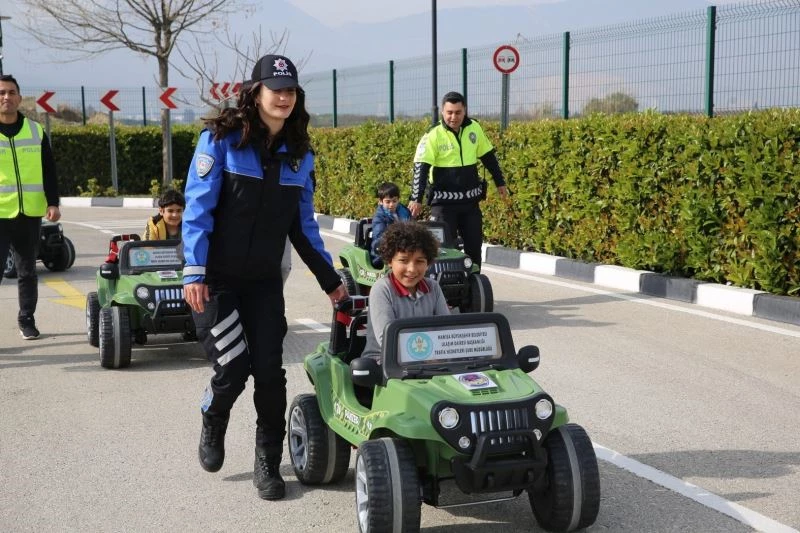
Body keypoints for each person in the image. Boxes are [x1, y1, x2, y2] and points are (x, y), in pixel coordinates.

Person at [181, 54, 347, 501]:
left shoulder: (300, 156)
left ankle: (268, 463)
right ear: (255, 93)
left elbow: (304, 228)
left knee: (271, 375)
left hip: (263, 283)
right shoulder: (220, 141)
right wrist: (194, 270)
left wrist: (332, 282)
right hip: (215, 281)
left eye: (290, 89)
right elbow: (197, 212)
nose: (284, 96)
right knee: (234, 367)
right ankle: (213, 418)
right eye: (275, 88)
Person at [408, 91, 509, 266]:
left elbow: (489, 157)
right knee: (442, 250)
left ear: (465, 111)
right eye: (449, 112)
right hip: (443, 205)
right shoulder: (433, 134)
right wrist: (416, 198)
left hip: (470, 203)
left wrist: (500, 182)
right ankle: (441, 290)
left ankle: (474, 287)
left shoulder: (474, 128)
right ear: (442, 112)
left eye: (457, 112)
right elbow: (421, 168)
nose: (453, 117)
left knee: (474, 248)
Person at [0, 74, 61, 340]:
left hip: (30, 213)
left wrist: (53, 202)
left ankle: (27, 319)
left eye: (11, 92)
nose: (6, 97)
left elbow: (49, 170)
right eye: (1, 93)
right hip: (0, 213)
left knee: (27, 272)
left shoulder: (36, 131)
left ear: (19, 97)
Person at [361, 221, 450, 361]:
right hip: (383, 363)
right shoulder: (382, 289)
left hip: (429, 361)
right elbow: (387, 340)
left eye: (419, 261)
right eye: (403, 260)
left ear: (428, 262)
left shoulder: (433, 287)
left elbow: (446, 330)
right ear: (390, 260)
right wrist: (427, 357)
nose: (412, 269)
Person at [369, 181, 412, 267]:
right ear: (381, 202)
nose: (391, 204)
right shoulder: (379, 218)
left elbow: (413, 229)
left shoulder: (405, 212)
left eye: (394, 201)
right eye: (388, 202)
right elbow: (379, 237)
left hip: (405, 248)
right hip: (383, 252)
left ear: (398, 200)